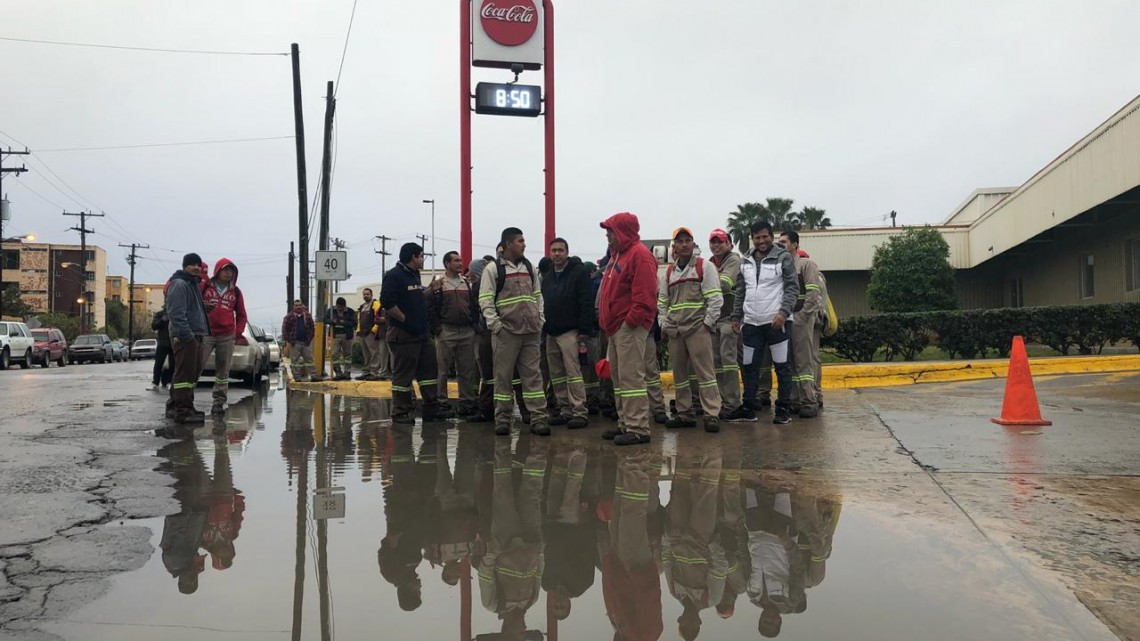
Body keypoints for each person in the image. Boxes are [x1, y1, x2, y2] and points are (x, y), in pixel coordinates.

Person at [479, 228, 549, 437]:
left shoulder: (529, 267)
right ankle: (502, 419)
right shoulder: (493, 269)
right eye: (520, 241)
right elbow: (485, 299)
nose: (524, 244)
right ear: (508, 244)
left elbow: (537, 295)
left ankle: (538, 418)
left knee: (533, 377)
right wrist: (497, 326)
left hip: (531, 331)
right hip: (506, 333)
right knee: (503, 378)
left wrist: (540, 319)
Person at [597, 212, 659, 446]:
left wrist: (630, 322)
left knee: (631, 378)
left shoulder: (639, 255)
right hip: (617, 327)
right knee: (619, 378)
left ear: (622, 232)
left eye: (610, 231)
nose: (607, 236)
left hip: (628, 327)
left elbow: (645, 296)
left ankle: (638, 428)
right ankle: (626, 423)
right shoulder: (619, 256)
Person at [732, 221, 798, 425]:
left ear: (771, 236)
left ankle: (783, 409)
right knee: (749, 367)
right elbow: (740, 290)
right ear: (752, 238)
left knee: (782, 367)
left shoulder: (783, 257)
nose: (761, 241)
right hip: (751, 323)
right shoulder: (745, 260)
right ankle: (748, 408)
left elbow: (792, 287)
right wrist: (736, 316)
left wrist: (783, 313)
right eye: (757, 237)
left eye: (765, 236)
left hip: (777, 323)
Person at [659, 227, 724, 433]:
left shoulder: (704, 267)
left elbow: (715, 298)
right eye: (680, 241)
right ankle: (684, 413)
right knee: (679, 375)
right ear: (674, 246)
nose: (684, 244)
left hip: (697, 328)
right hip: (675, 331)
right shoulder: (669, 272)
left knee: (705, 374)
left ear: (693, 244)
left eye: (688, 240)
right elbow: (662, 301)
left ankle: (711, 414)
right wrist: (664, 324)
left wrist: (707, 324)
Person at [382, 243, 450, 424]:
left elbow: (417, 298)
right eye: (421, 256)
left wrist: (430, 290)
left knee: (429, 373)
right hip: (403, 335)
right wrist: (405, 320)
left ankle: (431, 409)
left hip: (422, 334)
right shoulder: (394, 275)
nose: (423, 259)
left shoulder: (414, 275)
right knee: (403, 376)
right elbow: (388, 302)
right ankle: (401, 412)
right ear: (413, 257)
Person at [540, 238, 593, 430]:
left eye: (560, 250)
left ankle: (579, 411)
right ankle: (565, 410)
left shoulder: (579, 273)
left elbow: (586, 300)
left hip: (571, 332)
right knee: (557, 375)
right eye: (553, 250)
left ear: (567, 252)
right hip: (551, 332)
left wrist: (584, 329)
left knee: (573, 373)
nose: (557, 254)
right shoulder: (548, 276)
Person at [427, 250, 480, 418]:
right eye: (456, 260)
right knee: (442, 370)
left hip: (466, 331)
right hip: (446, 331)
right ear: (447, 264)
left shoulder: (466, 283)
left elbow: (473, 305)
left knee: (466, 370)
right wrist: (437, 329)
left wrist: (473, 324)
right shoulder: (439, 284)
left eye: (461, 260)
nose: (460, 263)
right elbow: (430, 307)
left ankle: (466, 402)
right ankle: (442, 402)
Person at [779, 231, 824, 418]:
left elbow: (813, 293)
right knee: (789, 361)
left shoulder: (806, 265)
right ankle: (795, 400)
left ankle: (809, 400)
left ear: (795, 244)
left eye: (784, 241)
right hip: (785, 319)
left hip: (801, 319)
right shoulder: (781, 267)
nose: (780, 244)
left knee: (804, 360)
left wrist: (804, 315)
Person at [199, 258, 249, 414]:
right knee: (195, 366)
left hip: (226, 336)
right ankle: (185, 400)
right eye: (225, 270)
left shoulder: (236, 291)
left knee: (223, 371)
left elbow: (242, 315)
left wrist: (237, 333)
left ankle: (218, 403)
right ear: (218, 270)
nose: (228, 273)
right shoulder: (205, 286)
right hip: (206, 333)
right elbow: (194, 305)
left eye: (231, 270)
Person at [708, 229, 748, 421]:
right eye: (713, 242)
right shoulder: (710, 263)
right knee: (717, 363)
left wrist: (706, 281)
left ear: (729, 244)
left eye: (720, 242)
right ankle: (723, 402)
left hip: (730, 319)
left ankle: (732, 404)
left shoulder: (733, 260)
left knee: (729, 362)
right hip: (715, 319)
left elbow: (724, 284)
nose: (716, 245)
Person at [164, 253, 209, 424]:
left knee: (189, 374)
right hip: (185, 337)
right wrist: (188, 336)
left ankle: (178, 406)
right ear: (185, 266)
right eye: (192, 265)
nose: (196, 268)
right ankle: (183, 411)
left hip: (195, 334)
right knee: (184, 375)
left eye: (198, 265)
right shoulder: (179, 284)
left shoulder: (192, 284)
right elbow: (176, 314)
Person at [468, 257, 496, 422]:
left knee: (487, 372)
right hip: (491, 332)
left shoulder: (479, 286)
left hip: (486, 333)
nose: (469, 274)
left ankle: (486, 409)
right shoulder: (491, 283)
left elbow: (476, 311)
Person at [281, 300, 316, 383]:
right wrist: (290, 340)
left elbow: (312, 328)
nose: (298, 307)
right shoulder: (289, 317)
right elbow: (284, 330)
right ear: (293, 307)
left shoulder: (307, 316)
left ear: (302, 306)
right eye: (296, 305)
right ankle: (297, 377)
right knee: (295, 361)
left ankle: (314, 376)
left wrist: (309, 339)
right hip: (295, 343)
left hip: (306, 342)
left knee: (309, 360)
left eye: (300, 305)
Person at [356, 288, 385, 381]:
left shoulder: (376, 304)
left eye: (367, 294)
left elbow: (378, 316)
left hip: (371, 333)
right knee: (366, 354)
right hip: (362, 333)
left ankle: (374, 372)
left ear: (371, 295)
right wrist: (358, 331)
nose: (365, 296)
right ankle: (366, 372)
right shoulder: (362, 306)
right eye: (364, 294)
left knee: (375, 353)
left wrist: (374, 330)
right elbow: (359, 320)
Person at [326, 297, 357, 380]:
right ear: (336, 305)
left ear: (344, 306)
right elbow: (325, 319)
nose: (340, 309)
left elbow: (354, 323)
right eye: (338, 307)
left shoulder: (350, 311)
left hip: (347, 335)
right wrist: (332, 321)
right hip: (335, 335)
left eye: (342, 307)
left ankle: (347, 372)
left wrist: (344, 322)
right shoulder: (331, 311)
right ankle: (338, 372)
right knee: (334, 354)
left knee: (348, 355)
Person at [149, 309, 174, 391]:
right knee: (158, 363)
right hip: (163, 342)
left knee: (173, 364)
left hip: (174, 341)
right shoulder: (160, 314)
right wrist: (162, 320)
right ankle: (155, 383)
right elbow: (154, 326)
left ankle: (170, 382)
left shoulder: (177, 311)